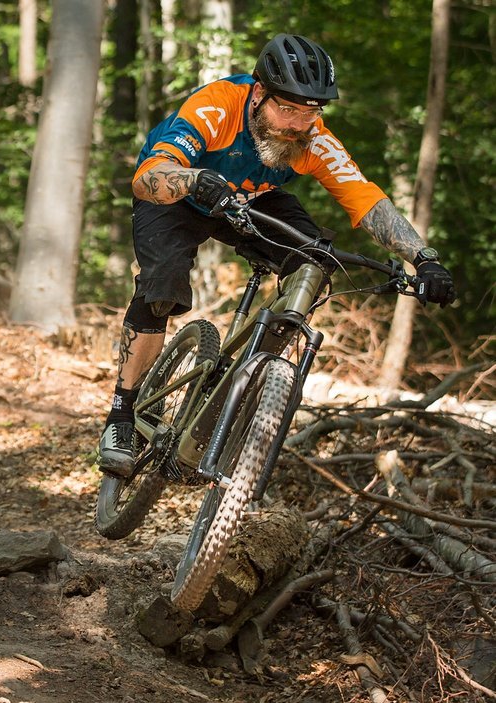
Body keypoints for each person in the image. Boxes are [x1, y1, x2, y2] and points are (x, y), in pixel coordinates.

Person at [98, 33, 456, 476]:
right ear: (258, 94)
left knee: (316, 261)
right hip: (180, 193)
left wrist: (423, 257)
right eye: (286, 108)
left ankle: (249, 366)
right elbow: (149, 176)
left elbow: (367, 201)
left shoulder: (312, 139)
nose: (296, 123)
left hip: (252, 200)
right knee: (163, 283)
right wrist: (191, 181)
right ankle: (122, 412)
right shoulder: (218, 105)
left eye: (310, 112)